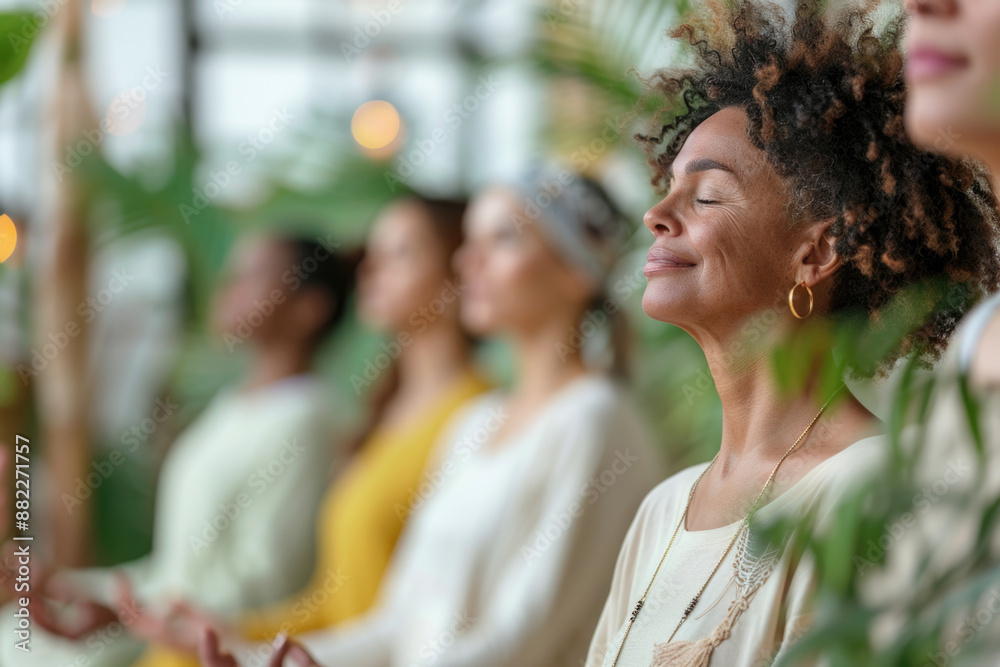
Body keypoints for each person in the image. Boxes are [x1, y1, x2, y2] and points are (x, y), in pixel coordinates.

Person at [584, 1, 1000, 665]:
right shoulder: (663, 509)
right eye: (666, 189)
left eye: (707, 195)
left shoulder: (870, 495)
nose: (656, 215)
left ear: (817, 252)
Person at [198, 166, 664, 667]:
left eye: (503, 238)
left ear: (577, 269)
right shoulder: (476, 424)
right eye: (468, 241)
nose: (468, 262)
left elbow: (524, 639)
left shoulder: (595, 420)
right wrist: (255, 659)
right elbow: (399, 624)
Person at [129, 197, 491, 667]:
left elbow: (434, 618)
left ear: (459, 274)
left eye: (401, 253)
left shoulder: (477, 419)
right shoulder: (381, 420)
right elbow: (333, 604)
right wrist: (236, 637)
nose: (372, 269)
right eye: (374, 253)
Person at [0, 233, 359, 667]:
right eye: (234, 271)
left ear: (310, 309)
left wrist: (129, 615)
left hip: (201, 645)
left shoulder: (306, 418)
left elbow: (265, 583)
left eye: (255, 275)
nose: (230, 285)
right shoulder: (234, 406)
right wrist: (71, 587)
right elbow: (174, 570)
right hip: (158, 627)